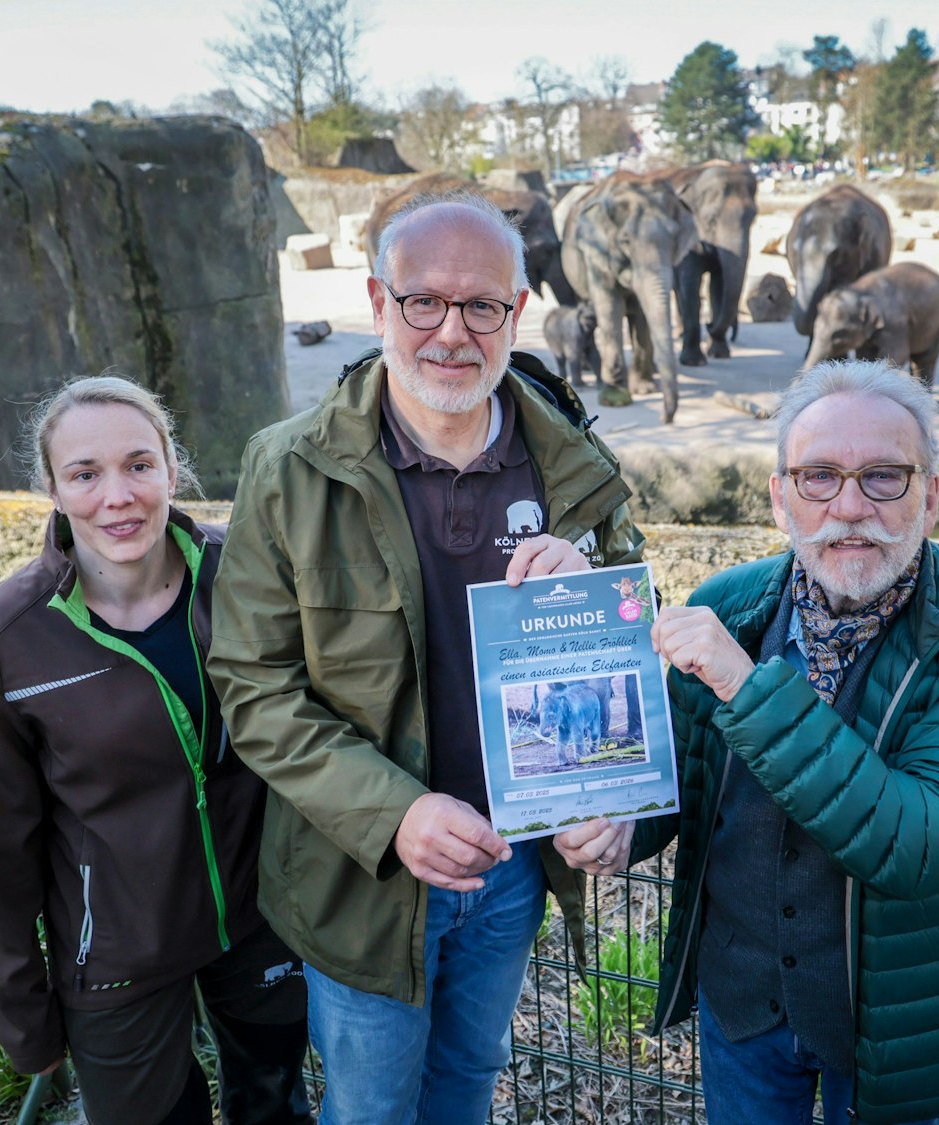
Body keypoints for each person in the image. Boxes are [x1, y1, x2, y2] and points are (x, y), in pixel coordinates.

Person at [208, 192, 644, 1125]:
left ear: (515, 313)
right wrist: (396, 813)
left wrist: (606, 796)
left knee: (467, 1086)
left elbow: (625, 659)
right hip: (360, 881)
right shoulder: (288, 469)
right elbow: (253, 687)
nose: (453, 331)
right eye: (424, 302)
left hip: (513, 866)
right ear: (378, 303)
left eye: (481, 305)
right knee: (370, 1107)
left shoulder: (577, 472)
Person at [555, 360, 939, 1125]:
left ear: (932, 495)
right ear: (781, 497)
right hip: (743, 1004)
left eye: (884, 476)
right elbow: (682, 784)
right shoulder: (731, 605)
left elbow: (925, 840)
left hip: (892, 1021)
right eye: (819, 476)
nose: (849, 506)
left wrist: (748, 687)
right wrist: (622, 828)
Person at [0, 375, 312, 1125]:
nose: (118, 495)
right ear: (51, 487)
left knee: (273, 1105)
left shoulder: (245, 572)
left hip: (259, 913)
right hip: (113, 953)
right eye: (85, 473)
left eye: (140, 465)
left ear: (172, 469)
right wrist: (22, 1013)